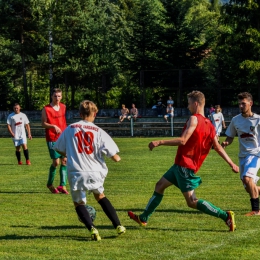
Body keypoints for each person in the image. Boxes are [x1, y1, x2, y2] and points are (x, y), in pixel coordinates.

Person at [128, 90, 239, 232]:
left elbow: (183, 140)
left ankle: (225, 216)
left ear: (196, 103)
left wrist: (159, 142)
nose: (188, 107)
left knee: (192, 202)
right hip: (179, 165)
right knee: (159, 186)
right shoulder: (210, 125)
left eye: (189, 104)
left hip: (185, 166)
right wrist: (231, 163)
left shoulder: (194, 119)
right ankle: (144, 218)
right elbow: (217, 147)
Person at [53, 100, 126, 241]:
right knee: (100, 196)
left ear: (80, 114)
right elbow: (115, 157)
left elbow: (59, 148)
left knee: (79, 203)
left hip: (76, 171)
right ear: (95, 113)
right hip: (95, 171)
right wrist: (117, 157)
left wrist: (70, 154)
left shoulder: (70, 129)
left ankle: (92, 228)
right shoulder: (99, 131)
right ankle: (118, 225)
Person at [222, 92, 260, 216]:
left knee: (247, 178)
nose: (241, 106)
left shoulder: (258, 119)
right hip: (242, 156)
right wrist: (226, 143)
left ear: (251, 103)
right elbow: (230, 136)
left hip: (255, 154)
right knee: (248, 186)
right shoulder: (235, 120)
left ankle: (256, 210)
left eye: (243, 103)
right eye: (239, 104)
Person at [41, 88, 68, 194]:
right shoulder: (46, 109)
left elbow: (64, 122)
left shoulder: (63, 107)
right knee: (56, 162)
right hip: (52, 138)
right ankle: (50, 184)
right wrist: (53, 126)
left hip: (63, 137)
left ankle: (63, 185)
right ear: (51, 96)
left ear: (61, 96)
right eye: (55, 96)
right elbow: (43, 124)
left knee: (64, 161)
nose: (57, 98)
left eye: (59, 96)